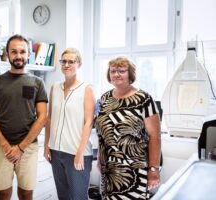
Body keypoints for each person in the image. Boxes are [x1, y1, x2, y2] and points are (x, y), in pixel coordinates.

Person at [0, 34, 48, 200]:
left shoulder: (37, 82)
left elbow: (42, 117)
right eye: (14, 51)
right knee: (3, 193)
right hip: (1, 148)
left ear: (28, 54)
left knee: (26, 193)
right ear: (7, 53)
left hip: (28, 148)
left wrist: (20, 148)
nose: (18, 56)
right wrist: (6, 146)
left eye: (22, 51)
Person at [95, 56, 161, 199]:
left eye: (121, 71)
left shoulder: (144, 99)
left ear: (130, 74)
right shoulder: (104, 99)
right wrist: (100, 159)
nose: (116, 74)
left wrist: (154, 169)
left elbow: (155, 136)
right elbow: (103, 134)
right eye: (113, 71)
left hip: (134, 170)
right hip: (109, 170)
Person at [44, 48, 96, 200]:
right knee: (63, 196)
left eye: (71, 61)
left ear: (79, 64)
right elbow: (49, 118)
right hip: (56, 151)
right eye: (63, 61)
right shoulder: (55, 87)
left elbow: (88, 122)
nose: (66, 64)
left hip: (76, 153)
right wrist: (47, 145)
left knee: (78, 197)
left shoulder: (86, 89)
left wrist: (80, 153)